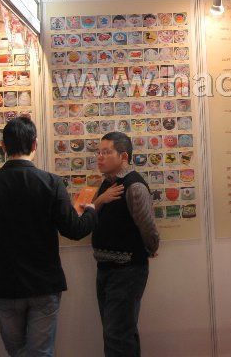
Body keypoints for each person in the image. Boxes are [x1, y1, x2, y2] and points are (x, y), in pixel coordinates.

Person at [0, 116, 96, 357]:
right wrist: (90, 212)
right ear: (35, 144)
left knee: (17, 352)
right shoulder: (51, 182)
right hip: (43, 283)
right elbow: (74, 230)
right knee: (41, 353)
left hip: (5, 283)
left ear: (3, 146)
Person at [91, 132, 160, 357]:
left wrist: (152, 248)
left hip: (127, 271)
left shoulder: (134, 185)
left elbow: (148, 227)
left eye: (106, 152)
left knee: (117, 335)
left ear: (123, 156)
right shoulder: (107, 183)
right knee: (117, 333)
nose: (100, 157)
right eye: (99, 152)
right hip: (106, 269)